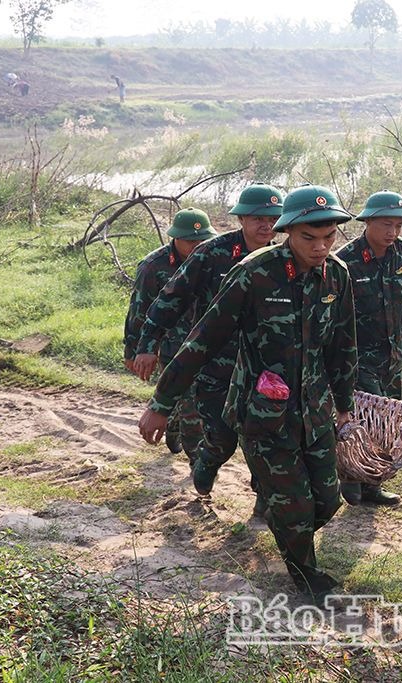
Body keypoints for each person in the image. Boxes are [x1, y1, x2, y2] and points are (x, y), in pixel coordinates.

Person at [138, 185, 357, 604]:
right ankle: (305, 576)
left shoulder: (337, 276)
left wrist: (345, 406)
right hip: (263, 413)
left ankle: (286, 525)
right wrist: (161, 405)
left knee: (327, 501)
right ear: (288, 231)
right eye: (309, 238)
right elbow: (202, 340)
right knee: (294, 508)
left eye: (328, 237)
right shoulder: (255, 272)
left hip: (314, 411)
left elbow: (343, 345)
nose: (320, 247)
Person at [133, 183, 284, 515]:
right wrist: (146, 345)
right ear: (241, 218)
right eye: (258, 218)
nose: (266, 226)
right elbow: (169, 301)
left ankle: (265, 500)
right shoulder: (211, 253)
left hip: (262, 367)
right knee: (221, 434)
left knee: (265, 435)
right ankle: (207, 463)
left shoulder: (282, 259)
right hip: (214, 364)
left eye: (273, 218)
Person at [335, 190, 402, 506]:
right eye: (386, 225)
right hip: (358, 358)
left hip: (393, 358)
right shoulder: (345, 261)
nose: (393, 232)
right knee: (363, 420)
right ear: (368, 223)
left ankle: (371, 485)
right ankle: (350, 475)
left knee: (388, 423)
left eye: (399, 226)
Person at [123, 208, 216, 465]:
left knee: (200, 401)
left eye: (202, 241)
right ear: (175, 238)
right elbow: (139, 311)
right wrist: (135, 351)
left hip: (208, 345)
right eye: (190, 241)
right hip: (172, 347)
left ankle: (177, 423)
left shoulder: (215, 258)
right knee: (189, 402)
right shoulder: (154, 266)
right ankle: (199, 461)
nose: (198, 246)